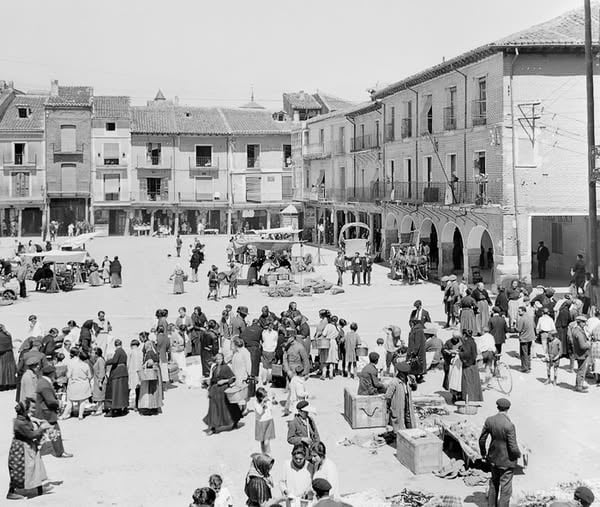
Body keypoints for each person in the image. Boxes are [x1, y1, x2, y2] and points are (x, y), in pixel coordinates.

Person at [479, 398, 521, 507]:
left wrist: (483, 453)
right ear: (508, 409)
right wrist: (518, 454)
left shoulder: (490, 420)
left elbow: (482, 439)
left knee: (494, 483)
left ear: (497, 407)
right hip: (506, 461)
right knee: (505, 489)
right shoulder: (509, 425)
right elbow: (513, 447)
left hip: (493, 457)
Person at [7, 400, 51, 500]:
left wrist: (36, 420)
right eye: (30, 409)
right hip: (21, 449)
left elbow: (29, 418)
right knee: (20, 471)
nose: (32, 411)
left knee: (36, 466)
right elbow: (31, 435)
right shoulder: (19, 424)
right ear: (24, 411)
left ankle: (38, 488)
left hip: (27, 446)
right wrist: (42, 428)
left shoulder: (22, 418)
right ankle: (11, 492)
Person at [35, 365, 72, 458]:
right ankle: (60, 452)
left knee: (39, 432)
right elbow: (50, 401)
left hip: (41, 411)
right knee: (55, 432)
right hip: (46, 412)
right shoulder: (45, 385)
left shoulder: (42, 381)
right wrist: (60, 403)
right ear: (52, 374)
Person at [204, 352, 241, 434]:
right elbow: (212, 380)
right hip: (214, 390)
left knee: (228, 406)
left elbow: (233, 378)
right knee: (213, 408)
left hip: (224, 390)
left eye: (219, 359)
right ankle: (212, 427)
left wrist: (224, 381)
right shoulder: (214, 368)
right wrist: (208, 387)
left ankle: (235, 420)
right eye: (216, 359)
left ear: (222, 359)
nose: (218, 360)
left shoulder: (226, 368)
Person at [385, 361, 417, 431]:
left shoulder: (408, 380)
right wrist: (388, 408)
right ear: (400, 373)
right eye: (405, 373)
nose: (407, 375)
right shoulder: (394, 382)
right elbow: (388, 396)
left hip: (407, 403)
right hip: (398, 406)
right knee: (399, 423)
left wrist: (414, 381)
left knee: (408, 419)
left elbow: (414, 388)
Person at [63, 349, 93, 420]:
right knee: (82, 401)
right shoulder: (86, 365)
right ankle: (80, 415)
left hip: (74, 384)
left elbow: (68, 375)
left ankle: (64, 415)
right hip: (83, 384)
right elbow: (89, 376)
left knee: (70, 401)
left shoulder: (73, 364)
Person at [104, 339, 129, 416]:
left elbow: (115, 361)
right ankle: (122, 407)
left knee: (116, 391)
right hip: (124, 371)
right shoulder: (123, 352)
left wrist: (107, 362)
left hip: (118, 373)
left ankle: (115, 408)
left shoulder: (118, 351)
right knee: (122, 391)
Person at [138, 340, 163, 415]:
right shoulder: (154, 352)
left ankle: (150, 408)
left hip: (150, 374)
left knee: (149, 391)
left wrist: (144, 365)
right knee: (155, 390)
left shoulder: (149, 353)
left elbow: (150, 363)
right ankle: (155, 407)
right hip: (156, 372)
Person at [458, 329, 483, 403]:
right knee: (474, 382)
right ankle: (474, 397)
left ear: (464, 335)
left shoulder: (467, 342)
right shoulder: (472, 341)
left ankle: (469, 398)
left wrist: (459, 353)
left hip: (468, 364)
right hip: (473, 364)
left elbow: (466, 354)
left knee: (468, 382)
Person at [230, 338, 252, 413]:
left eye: (232, 344)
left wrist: (249, 374)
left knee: (242, 393)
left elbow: (248, 364)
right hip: (236, 374)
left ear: (236, 345)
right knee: (238, 392)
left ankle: (244, 409)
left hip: (243, 375)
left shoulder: (245, 352)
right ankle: (240, 409)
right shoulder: (236, 353)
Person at [572, 315, 591, 392]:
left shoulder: (576, 330)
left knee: (580, 369)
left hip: (579, 353)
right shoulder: (579, 332)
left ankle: (579, 385)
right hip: (582, 354)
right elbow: (582, 346)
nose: (585, 324)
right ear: (579, 322)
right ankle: (579, 387)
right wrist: (589, 344)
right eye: (583, 322)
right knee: (581, 370)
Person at [254, 387, 275, 453]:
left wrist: (272, 399)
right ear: (259, 397)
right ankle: (263, 454)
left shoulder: (268, 401)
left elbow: (271, 408)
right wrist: (262, 404)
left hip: (269, 421)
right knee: (262, 441)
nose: (266, 397)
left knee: (266, 442)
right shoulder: (256, 403)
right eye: (264, 397)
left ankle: (268, 455)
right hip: (260, 423)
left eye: (266, 395)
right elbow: (259, 412)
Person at [516, 306, 535, 373]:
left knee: (524, 354)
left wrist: (515, 325)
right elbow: (534, 326)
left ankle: (525, 368)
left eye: (519, 311)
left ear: (523, 311)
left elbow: (519, 329)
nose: (518, 312)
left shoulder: (522, 319)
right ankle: (529, 366)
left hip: (524, 338)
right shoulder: (530, 317)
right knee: (528, 353)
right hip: (530, 337)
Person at [127, 338, 144, 410]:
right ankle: (137, 405)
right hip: (139, 371)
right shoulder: (141, 352)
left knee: (129, 389)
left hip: (131, 371)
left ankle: (126, 404)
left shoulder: (130, 352)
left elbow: (127, 363)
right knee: (138, 389)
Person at [0, 324, 17, 391]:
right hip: (9, 354)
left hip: (2, 355)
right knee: (9, 369)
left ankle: (3, 385)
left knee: (2, 370)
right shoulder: (8, 335)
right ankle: (11, 384)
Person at [91, 347, 106, 415]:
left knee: (99, 395)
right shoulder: (98, 360)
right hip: (97, 380)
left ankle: (100, 410)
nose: (91, 354)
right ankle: (99, 408)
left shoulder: (100, 360)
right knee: (98, 394)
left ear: (96, 354)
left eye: (93, 353)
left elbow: (102, 371)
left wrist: (100, 381)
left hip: (100, 380)